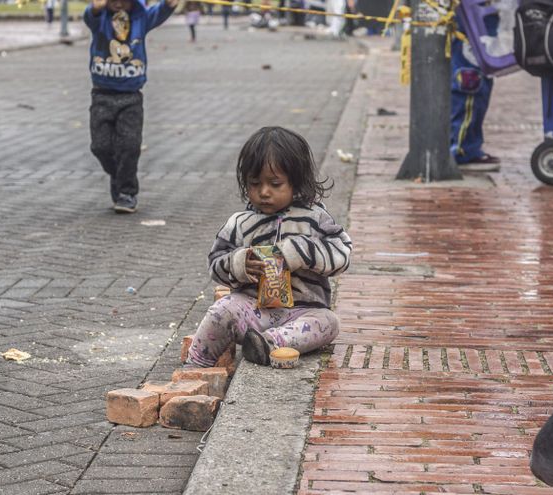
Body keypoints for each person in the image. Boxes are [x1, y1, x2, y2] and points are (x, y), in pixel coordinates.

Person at [184, 127, 353, 367]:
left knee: (329, 322)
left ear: (296, 182)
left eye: (275, 184)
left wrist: (302, 252)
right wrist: (239, 264)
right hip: (254, 311)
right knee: (222, 309)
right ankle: (197, 363)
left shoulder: (315, 218)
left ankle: (268, 343)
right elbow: (215, 263)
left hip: (303, 312)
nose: (264, 192)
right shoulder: (240, 223)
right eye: (255, 183)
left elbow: (343, 253)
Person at [84, 0, 177, 213]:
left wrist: (171, 4)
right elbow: (91, 16)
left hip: (131, 97)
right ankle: (119, 175)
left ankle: (127, 192)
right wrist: (97, 8)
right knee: (100, 146)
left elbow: (162, 10)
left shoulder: (140, 18)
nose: (118, 3)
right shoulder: (100, 20)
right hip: (101, 95)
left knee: (130, 146)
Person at [449, 6, 500, 172]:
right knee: (470, 82)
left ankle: (469, 147)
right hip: (470, 12)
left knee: (479, 80)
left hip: (480, 12)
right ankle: (461, 150)